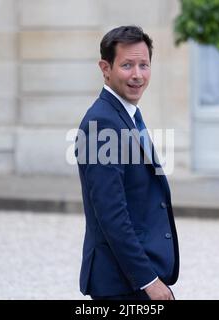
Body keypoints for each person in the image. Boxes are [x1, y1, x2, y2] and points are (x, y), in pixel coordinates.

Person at [75, 25, 179, 300]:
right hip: (121, 284)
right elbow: (111, 214)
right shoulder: (102, 123)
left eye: (143, 65)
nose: (137, 75)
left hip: (130, 278)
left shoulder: (126, 114)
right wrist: (149, 281)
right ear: (105, 68)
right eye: (127, 65)